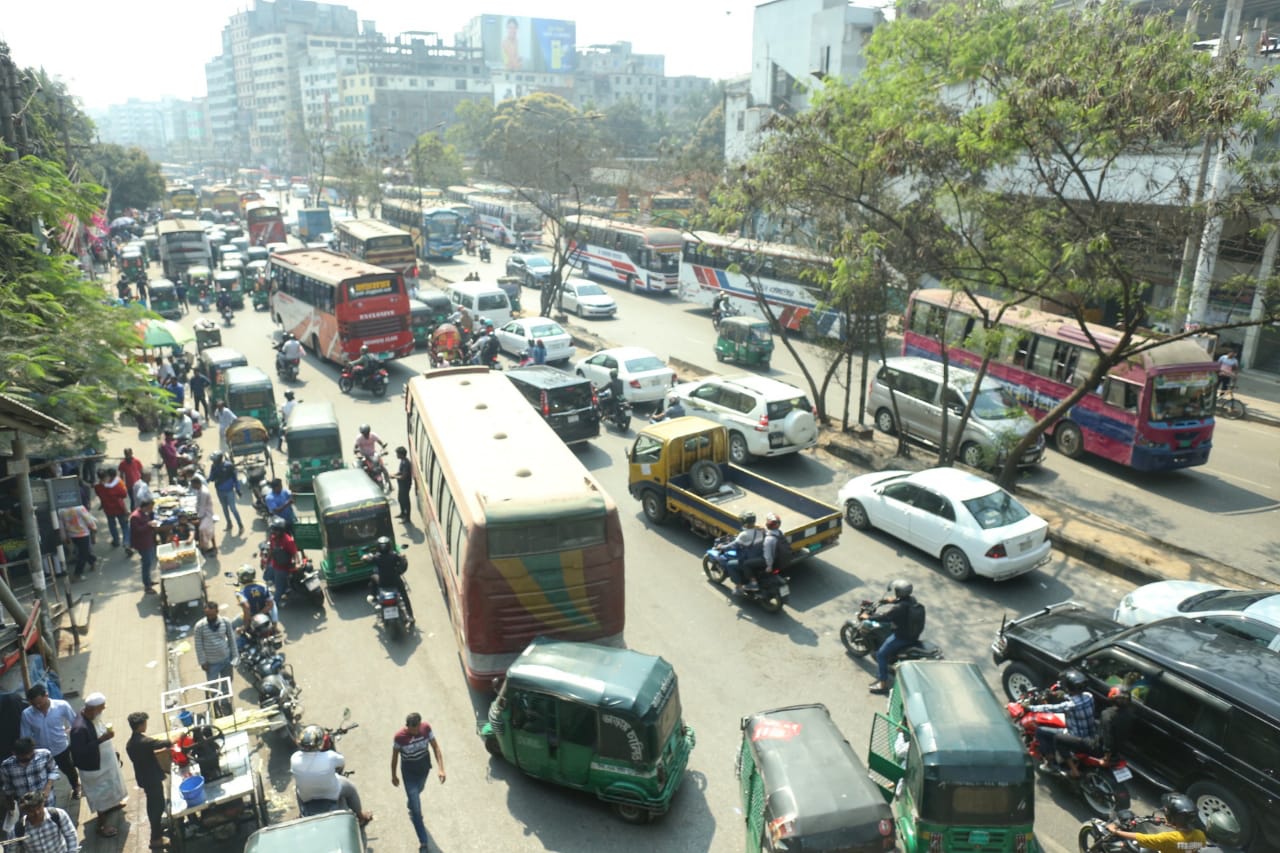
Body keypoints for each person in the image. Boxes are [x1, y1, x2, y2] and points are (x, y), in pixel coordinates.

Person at [67, 694, 126, 839]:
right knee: (100, 796)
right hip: (94, 768)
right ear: (92, 709)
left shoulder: (92, 716)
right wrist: (102, 739)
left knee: (111, 785)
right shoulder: (79, 729)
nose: (102, 711)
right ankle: (102, 826)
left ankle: (111, 805)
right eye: (101, 709)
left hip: (105, 763)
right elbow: (79, 751)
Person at [291, 725, 372, 825]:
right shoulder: (330, 756)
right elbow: (341, 762)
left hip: (307, 796)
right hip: (331, 794)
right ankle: (360, 817)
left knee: (297, 789)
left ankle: (302, 815)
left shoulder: (294, 758)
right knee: (351, 789)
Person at [390, 712, 446, 851]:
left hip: (424, 770)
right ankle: (424, 843)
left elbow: (435, 747)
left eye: (417, 728)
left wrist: (441, 769)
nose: (415, 732)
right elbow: (395, 757)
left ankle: (411, 801)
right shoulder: (399, 737)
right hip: (409, 775)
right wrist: (394, 775)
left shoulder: (426, 728)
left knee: (418, 791)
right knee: (416, 810)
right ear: (407, 726)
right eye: (412, 729)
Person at [1055, 684, 1136, 778]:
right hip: (1119, 748)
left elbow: (1108, 738)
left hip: (1098, 749)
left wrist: (1106, 758)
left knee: (1059, 737)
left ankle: (1074, 771)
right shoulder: (1130, 713)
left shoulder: (1107, 715)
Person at [1026, 667, 1097, 768]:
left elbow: (1050, 708)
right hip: (1091, 735)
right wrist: (1062, 695)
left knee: (1040, 731)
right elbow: (1076, 699)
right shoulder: (1089, 696)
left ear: (1069, 687)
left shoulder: (1070, 705)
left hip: (1075, 737)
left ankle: (1049, 762)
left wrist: (1030, 707)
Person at [863, 579, 924, 694]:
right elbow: (900, 603)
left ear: (898, 592)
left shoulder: (898, 609)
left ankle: (882, 684)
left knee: (881, 654)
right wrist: (888, 600)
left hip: (902, 637)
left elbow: (885, 617)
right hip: (913, 633)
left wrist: (868, 617)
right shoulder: (912, 600)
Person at [19, 687, 79, 804]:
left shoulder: (62, 706)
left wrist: (73, 736)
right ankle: (46, 798)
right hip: (41, 752)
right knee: (44, 777)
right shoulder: (27, 714)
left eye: (40, 702)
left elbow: (75, 722)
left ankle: (76, 786)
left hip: (61, 748)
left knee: (69, 769)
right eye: (34, 704)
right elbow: (25, 735)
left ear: (46, 695)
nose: (38, 706)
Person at [125, 712, 170, 849]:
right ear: (139, 726)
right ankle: (155, 838)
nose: (146, 725)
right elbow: (163, 743)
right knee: (158, 806)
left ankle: (157, 828)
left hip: (144, 778)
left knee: (153, 803)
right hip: (152, 778)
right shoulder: (144, 742)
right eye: (144, 723)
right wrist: (177, 738)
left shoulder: (130, 743)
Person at [1107, 792, 1206, 852]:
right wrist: (1173, 825)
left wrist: (1115, 831)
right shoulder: (1200, 835)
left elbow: (1141, 838)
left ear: (1171, 817)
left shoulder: (1168, 838)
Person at [363, 536, 414, 625]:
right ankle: (410, 616)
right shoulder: (394, 555)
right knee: (405, 597)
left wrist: (364, 557)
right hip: (395, 581)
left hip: (383, 583)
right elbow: (403, 563)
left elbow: (367, 560)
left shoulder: (376, 557)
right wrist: (401, 565)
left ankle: (373, 597)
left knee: (373, 577)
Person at [0, 737, 60, 812]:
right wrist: (10, 803)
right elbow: (8, 787)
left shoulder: (45, 755)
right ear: (14, 753)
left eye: (31, 756)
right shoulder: (6, 766)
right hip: (26, 807)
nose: (28, 758)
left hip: (47, 802)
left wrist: (48, 787)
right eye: (24, 759)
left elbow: (53, 770)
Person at [193, 602, 238, 689]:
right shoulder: (199, 626)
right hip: (211, 663)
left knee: (227, 684)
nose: (209, 617)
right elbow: (198, 646)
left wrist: (235, 657)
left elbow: (232, 640)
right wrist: (202, 662)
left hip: (226, 660)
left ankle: (226, 702)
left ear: (217, 611)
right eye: (207, 615)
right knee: (213, 686)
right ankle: (215, 702)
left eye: (211, 615)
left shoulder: (225, 622)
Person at [93, 468, 131, 556]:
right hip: (119, 508)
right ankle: (126, 542)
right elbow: (124, 494)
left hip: (108, 509)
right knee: (125, 526)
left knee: (111, 525)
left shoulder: (98, 487)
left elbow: (99, 495)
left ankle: (116, 541)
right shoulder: (116, 485)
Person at [728, 512, 766, 596]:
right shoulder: (761, 530)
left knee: (730, 564)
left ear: (744, 523)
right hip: (761, 557)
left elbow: (733, 545)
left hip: (750, 559)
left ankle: (739, 588)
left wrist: (722, 547)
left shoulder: (744, 534)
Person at [207, 451, 245, 536]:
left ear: (219, 459)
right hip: (220, 491)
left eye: (214, 460)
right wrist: (206, 481)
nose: (213, 462)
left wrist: (238, 490)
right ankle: (229, 523)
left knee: (233, 509)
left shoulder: (229, 466)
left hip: (229, 491)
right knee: (224, 508)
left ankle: (240, 526)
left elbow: (235, 478)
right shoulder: (214, 467)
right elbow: (211, 478)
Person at [57, 504, 97, 581]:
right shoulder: (79, 508)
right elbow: (88, 520)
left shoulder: (61, 510)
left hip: (72, 535)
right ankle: (77, 574)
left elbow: (61, 525)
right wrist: (94, 528)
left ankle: (92, 561)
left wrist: (64, 537)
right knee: (83, 554)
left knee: (84, 551)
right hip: (83, 533)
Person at [265, 517, 299, 605]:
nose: (273, 532)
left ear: (281, 531)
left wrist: (297, 563)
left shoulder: (288, 541)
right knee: (266, 577)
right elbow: (271, 551)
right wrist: (267, 562)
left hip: (282, 569)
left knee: (278, 589)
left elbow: (295, 553)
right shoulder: (273, 538)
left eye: (276, 530)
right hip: (274, 565)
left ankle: (273, 606)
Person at [130, 499, 160, 594]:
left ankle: (149, 581)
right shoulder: (135, 516)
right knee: (146, 564)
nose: (151, 509)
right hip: (142, 544)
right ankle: (147, 586)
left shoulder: (144, 514)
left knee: (149, 562)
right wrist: (148, 525)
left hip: (148, 541)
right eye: (150, 507)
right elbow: (137, 530)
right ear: (145, 506)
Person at [190, 474, 217, 556]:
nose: (192, 486)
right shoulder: (200, 490)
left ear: (196, 484)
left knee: (202, 530)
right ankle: (208, 547)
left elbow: (202, 507)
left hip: (206, 514)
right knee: (209, 531)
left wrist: (198, 518)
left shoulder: (203, 492)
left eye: (193, 485)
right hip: (203, 513)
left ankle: (205, 549)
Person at [392, 446, 413, 521]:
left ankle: (407, 517)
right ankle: (402, 513)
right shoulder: (402, 461)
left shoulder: (406, 463)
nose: (396, 455)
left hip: (405, 485)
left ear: (401, 454)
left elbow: (404, 476)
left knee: (405, 501)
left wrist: (395, 477)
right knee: (400, 499)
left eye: (397, 454)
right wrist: (394, 474)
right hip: (401, 485)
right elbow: (400, 472)